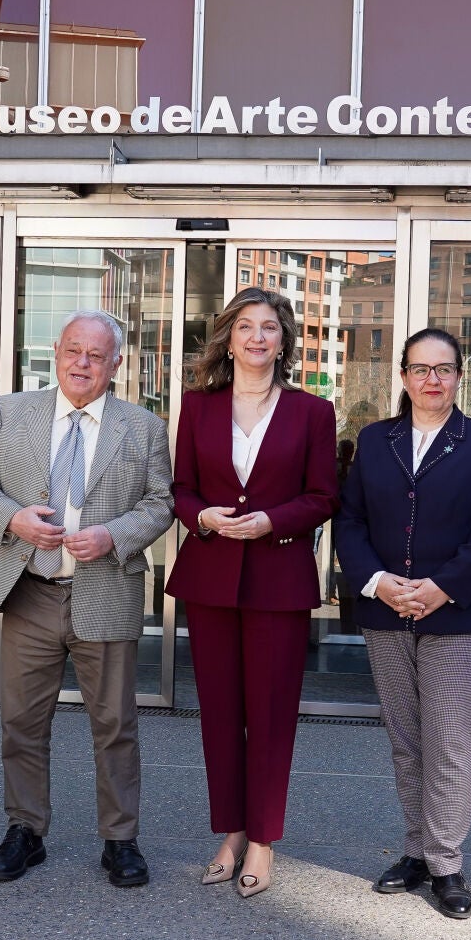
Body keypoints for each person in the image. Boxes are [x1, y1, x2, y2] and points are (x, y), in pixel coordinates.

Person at [0, 311, 174, 891]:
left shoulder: (143, 427)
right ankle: (25, 830)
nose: (83, 363)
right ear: (56, 352)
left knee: (115, 724)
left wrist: (113, 535)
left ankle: (120, 839)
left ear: (116, 364)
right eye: (74, 350)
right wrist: (14, 519)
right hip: (30, 589)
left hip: (105, 590)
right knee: (22, 723)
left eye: (96, 355)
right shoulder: (11, 411)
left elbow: (161, 502)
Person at [334, 328, 471, 920]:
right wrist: (377, 582)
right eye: (420, 369)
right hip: (386, 610)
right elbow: (350, 521)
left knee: (448, 741)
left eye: (443, 369)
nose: (431, 379)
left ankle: (446, 863)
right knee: (406, 739)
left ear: (459, 376)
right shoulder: (375, 439)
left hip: (458, 614)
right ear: (404, 377)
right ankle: (416, 851)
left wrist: (442, 587)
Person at [166, 286, 338, 898]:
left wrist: (272, 522)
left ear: (284, 340)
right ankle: (231, 831)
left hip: (277, 580)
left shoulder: (312, 413)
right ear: (229, 338)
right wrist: (202, 516)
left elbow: (323, 496)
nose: (257, 337)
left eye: (269, 327)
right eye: (245, 326)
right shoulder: (198, 407)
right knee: (219, 715)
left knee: (269, 717)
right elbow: (181, 489)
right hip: (210, 579)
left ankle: (262, 840)